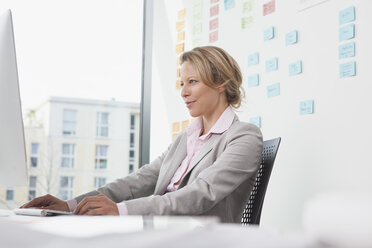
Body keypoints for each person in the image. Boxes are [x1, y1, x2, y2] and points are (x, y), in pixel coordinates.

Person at [21, 46, 263, 223]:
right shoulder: (186, 139)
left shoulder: (244, 137)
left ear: (220, 83)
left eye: (192, 81)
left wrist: (121, 210)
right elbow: (138, 182)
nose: (183, 92)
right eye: (182, 84)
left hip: (199, 239)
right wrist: (71, 205)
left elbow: (201, 193)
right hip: (162, 231)